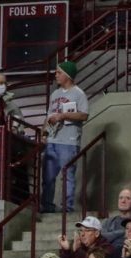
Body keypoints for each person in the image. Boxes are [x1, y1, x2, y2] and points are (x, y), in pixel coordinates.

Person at [42, 60, 89, 214]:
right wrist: (44, 133)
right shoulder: (55, 94)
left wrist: (63, 115)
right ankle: (47, 206)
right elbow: (49, 115)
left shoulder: (78, 93)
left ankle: (67, 208)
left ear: (68, 75)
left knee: (67, 176)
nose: (56, 75)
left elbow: (84, 115)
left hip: (68, 142)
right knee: (48, 177)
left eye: (59, 72)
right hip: (52, 140)